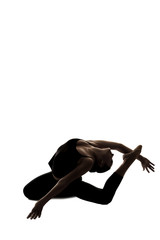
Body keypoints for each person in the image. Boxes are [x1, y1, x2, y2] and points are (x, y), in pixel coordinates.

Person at [23, 138, 155, 220]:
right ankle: (128, 160)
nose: (113, 155)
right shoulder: (90, 144)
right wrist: (141, 158)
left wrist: (41, 203)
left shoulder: (88, 161)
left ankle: (125, 165)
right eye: (112, 161)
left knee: (105, 197)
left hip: (67, 182)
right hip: (56, 178)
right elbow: (119, 146)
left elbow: (64, 182)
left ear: (102, 162)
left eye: (111, 161)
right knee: (28, 192)